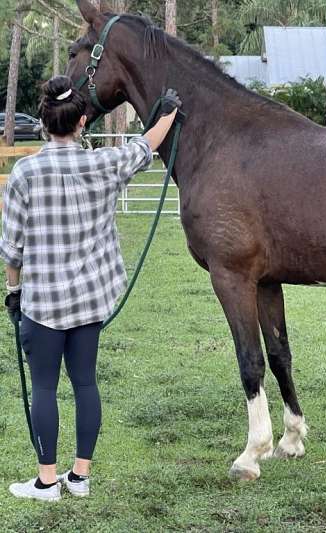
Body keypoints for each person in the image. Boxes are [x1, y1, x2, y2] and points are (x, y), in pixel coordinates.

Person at [1, 75, 181, 502]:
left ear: (44, 122)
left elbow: (12, 249)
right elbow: (144, 147)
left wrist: (13, 292)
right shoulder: (102, 163)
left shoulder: (24, 171)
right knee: (85, 384)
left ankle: (47, 482)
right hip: (89, 301)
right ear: (83, 122)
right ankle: (80, 477)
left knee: (44, 387)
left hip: (41, 303)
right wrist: (168, 113)